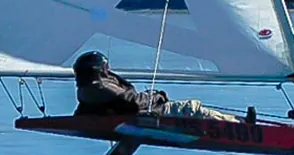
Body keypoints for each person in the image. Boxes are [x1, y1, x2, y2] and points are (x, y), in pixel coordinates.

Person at [72, 51, 239, 122]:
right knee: (193, 109)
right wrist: (157, 95)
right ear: (98, 70)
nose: (108, 71)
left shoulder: (85, 90)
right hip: (152, 115)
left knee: (193, 109)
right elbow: (134, 102)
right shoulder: (101, 86)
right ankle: (240, 125)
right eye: (106, 68)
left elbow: (83, 111)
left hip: (140, 114)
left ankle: (238, 121)